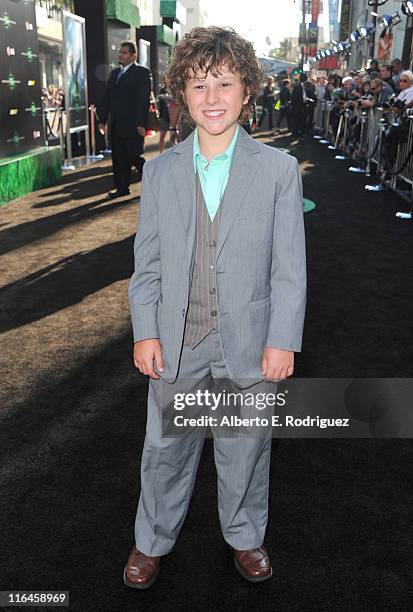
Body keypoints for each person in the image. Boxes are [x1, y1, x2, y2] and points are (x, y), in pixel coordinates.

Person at [124, 25, 306, 589]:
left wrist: (283, 339)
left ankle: (245, 536)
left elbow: (289, 267)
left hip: (251, 338)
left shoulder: (277, 171)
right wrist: (145, 331)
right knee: (166, 448)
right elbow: (147, 264)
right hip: (178, 339)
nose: (212, 97)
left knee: (246, 448)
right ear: (182, 92)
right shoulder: (160, 172)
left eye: (224, 83)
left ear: (247, 91)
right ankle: (151, 540)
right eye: (199, 85)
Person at [98, 41, 151, 199]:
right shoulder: (114, 74)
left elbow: (143, 100)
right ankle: (122, 189)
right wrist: (102, 120)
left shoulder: (142, 72)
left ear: (133, 55)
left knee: (134, 156)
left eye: (124, 52)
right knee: (119, 159)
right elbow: (107, 98)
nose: (120, 55)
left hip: (133, 125)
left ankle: (157, 182)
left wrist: (141, 124)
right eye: (120, 52)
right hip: (116, 125)